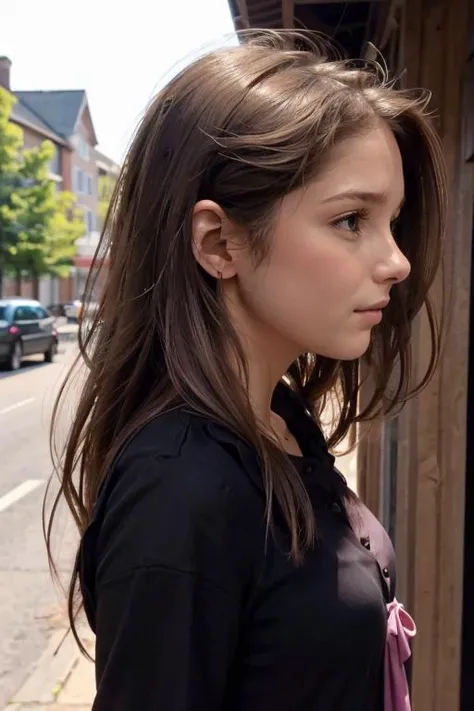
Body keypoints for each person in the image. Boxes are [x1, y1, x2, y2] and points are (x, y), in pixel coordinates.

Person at [46, 31, 447, 711]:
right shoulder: (180, 488)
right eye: (352, 220)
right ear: (219, 242)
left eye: (393, 221)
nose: (397, 260)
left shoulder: (282, 417)